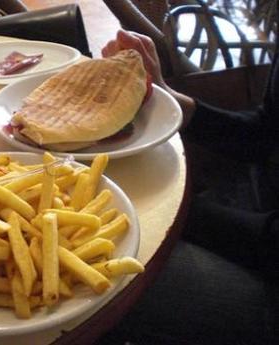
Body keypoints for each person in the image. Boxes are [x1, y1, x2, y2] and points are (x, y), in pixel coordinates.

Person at [96, 19, 279, 345]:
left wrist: (184, 214)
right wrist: (170, 99)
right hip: (254, 203)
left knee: (100, 295)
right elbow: (263, 135)